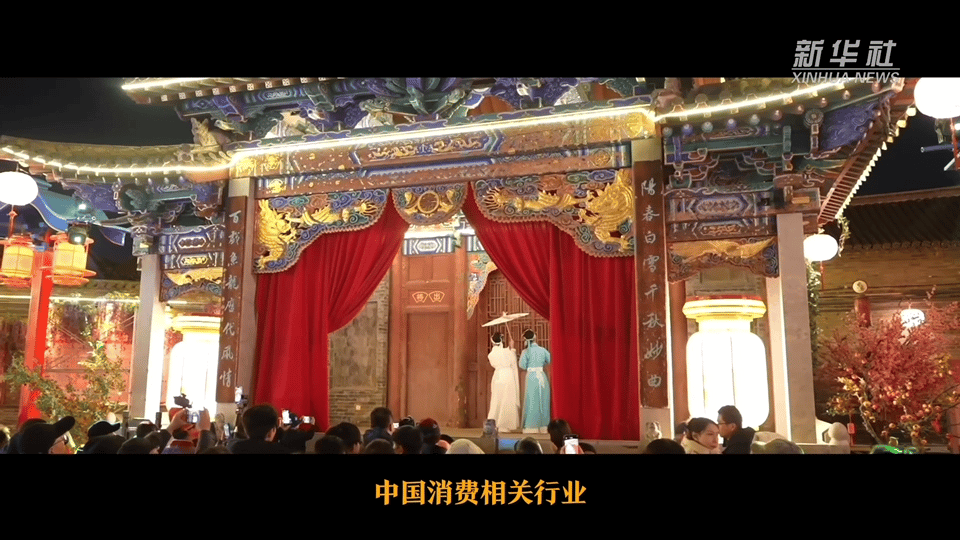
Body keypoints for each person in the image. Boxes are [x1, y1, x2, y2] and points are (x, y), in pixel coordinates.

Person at [487, 332, 520, 432]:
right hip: (508, 376)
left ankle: (493, 423)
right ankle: (504, 425)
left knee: (496, 399)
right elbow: (513, 361)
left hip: (498, 376)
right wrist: (512, 348)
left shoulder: (491, 354)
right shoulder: (508, 352)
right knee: (507, 399)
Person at [519, 329, 551, 434]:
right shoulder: (543, 350)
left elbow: (522, 365)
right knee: (543, 400)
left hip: (531, 378)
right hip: (542, 377)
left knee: (532, 401)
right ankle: (544, 426)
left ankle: (531, 426)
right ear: (535, 337)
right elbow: (549, 359)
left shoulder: (526, 352)